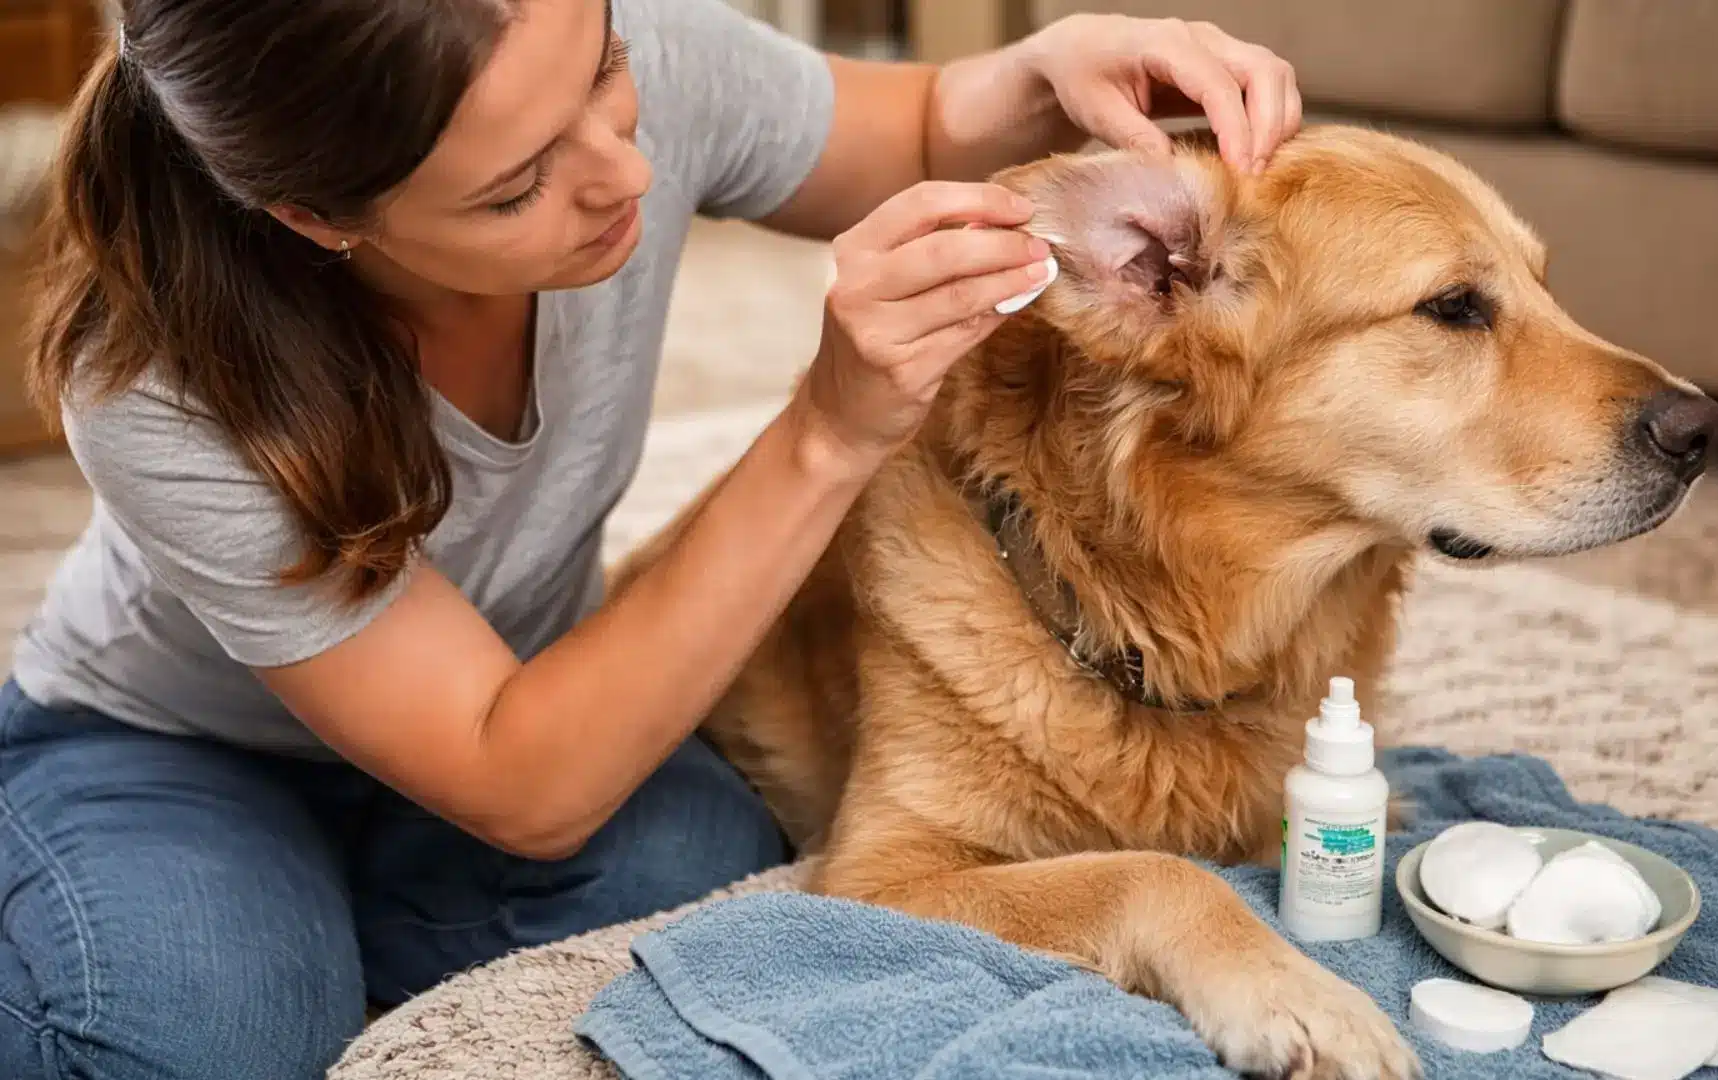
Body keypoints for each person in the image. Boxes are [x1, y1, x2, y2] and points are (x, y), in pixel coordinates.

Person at [0, 1, 1301, 1077]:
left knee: (705, 860)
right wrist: (827, 429)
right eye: (517, 187)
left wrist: (1042, 69)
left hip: (508, 683)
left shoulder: (599, 62)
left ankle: (299, 916)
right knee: (212, 1041)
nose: (626, 166)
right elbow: (527, 782)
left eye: (606, 67)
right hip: (181, 747)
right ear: (320, 221)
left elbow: (908, 127)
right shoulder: (155, 383)